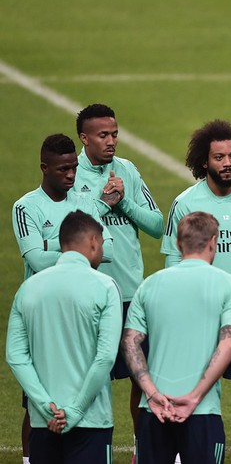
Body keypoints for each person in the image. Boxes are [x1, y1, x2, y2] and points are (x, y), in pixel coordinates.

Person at [161, 120, 231, 460]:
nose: (227, 164)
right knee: (189, 385)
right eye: (219, 157)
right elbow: (172, 258)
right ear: (204, 161)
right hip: (198, 313)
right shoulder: (185, 203)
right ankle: (182, 452)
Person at [11, 134, 113, 464]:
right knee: (35, 400)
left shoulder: (85, 203)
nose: (70, 175)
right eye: (63, 169)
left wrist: (50, 244)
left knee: (83, 370)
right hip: (44, 309)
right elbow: (34, 259)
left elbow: (109, 250)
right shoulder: (26, 207)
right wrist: (75, 249)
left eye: (73, 168)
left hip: (81, 305)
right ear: (44, 168)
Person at [74, 103, 163, 440]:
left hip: (131, 294)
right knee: (94, 380)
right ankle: (95, 448)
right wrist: (102, 203)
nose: (111, 141)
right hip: (91, 296)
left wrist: (124, 202)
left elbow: (157, 225)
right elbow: (72, 232)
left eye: (114, 134)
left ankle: (144, 450)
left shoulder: (127, 170)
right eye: (102, 135)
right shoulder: (71, 175)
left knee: (143, 379)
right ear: (84, 138)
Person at [124, 212, 231, 463]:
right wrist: (195, 396)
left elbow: (130, 343)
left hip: (154, 411)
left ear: (178, 244)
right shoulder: (229, 285)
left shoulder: (149, 285)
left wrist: (152, 393)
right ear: (213, 241)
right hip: (203, 412)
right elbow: (228, 346)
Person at [7, 211, 123, 463]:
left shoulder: (28, 288)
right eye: (102, 244)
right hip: (92, 422)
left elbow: (15, 356)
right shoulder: (105, 286)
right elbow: (105, 357)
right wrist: (75, 410)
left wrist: (45, 407)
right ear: (93, 241)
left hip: (44, 423)